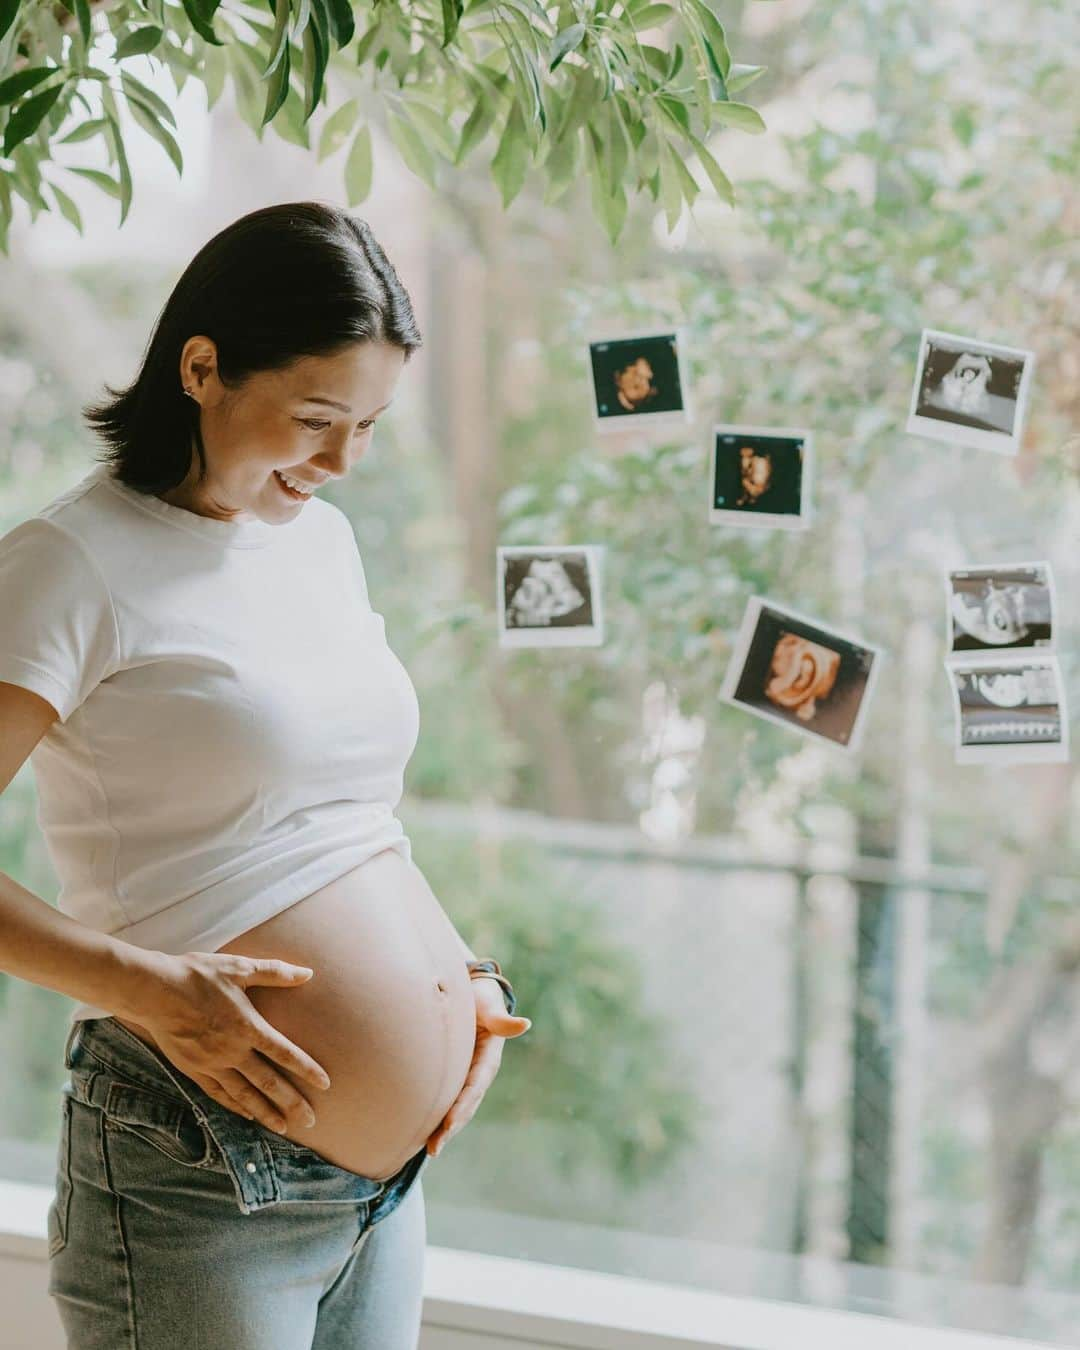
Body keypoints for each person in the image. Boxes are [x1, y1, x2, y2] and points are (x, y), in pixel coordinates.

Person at [0, 201, 529, 1349]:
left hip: (378, 1196)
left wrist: (458, 985)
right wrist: (146, 987)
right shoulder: (70, 562)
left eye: (371, 425)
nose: (342, 462)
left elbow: (337, 816)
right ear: (202, 368)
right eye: (317, 418)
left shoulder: (318, 541)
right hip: (195, 1162)